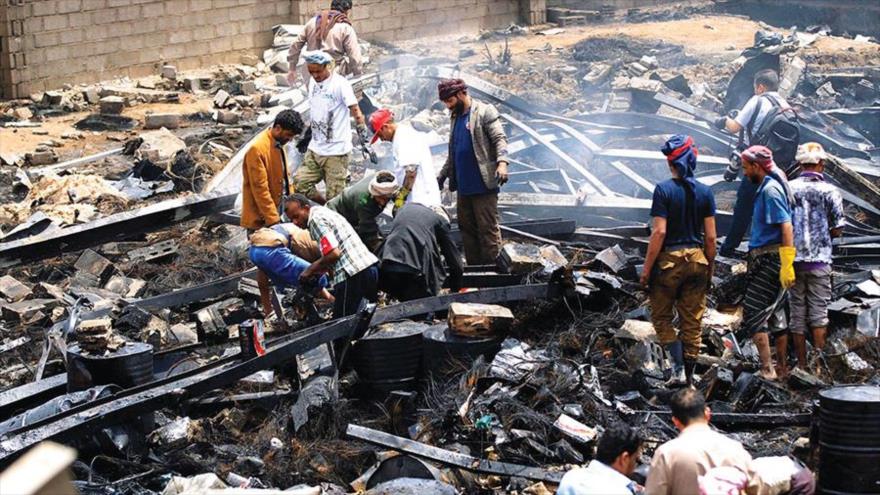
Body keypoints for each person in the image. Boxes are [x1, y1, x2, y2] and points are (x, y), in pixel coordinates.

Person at [640, 135, 717, 386]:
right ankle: (690, 377)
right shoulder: (706, 192)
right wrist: (711, 270)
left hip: (669, 263)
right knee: (692, 321)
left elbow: (659, 232)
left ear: (670, 162)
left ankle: (677, 369)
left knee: (662, 318)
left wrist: (646, 270)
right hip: (697, 260)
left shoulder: (663, 190)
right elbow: (712, 238)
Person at [714, 69, 793, 256]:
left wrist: (724, 120)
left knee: (743, 205)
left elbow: (734, 128)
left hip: (757, 165)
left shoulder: (757, 100)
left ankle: (729, 248)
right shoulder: (785, 105)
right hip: (778, 164)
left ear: (760, 86)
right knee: (770, 203)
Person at [436, 78, 509, 265]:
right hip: (464, 186)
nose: (448, 107)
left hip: (483, 184)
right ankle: (475, 270)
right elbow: (454, 151)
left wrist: (502, 163)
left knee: (487, 228)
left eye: (450, 101)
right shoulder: (455, 117)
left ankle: (493, 271)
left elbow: (499, 138)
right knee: (467, 229)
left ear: (461, 94)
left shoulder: (484, 112)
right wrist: (442, 175)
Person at [738, 146, 796, 380]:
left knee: (753, 311)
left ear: (756, 166)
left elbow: (786, 226)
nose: (744, 173)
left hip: (770, 258)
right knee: (775, 311)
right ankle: (780, 369)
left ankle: (767, 369)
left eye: (745, 168)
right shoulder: (768, 185)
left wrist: (787, 263)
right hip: (769, 257)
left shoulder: (770, 191)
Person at [241, 109, 304, 317]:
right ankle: (269, 308)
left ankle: (284, 302)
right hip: (262, 218)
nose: (289, 139)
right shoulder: (257, 149)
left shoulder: (278, 145)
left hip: (277, 212)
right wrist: (274, 221)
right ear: (277, 128)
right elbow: (260, 190)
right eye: (288, 135)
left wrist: (291, 204)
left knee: (280, 259)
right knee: (264, 264)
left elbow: (286, 179)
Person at [788, 143, 844, 369]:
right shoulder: (831, 191)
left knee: (797, 314)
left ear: (800, 163)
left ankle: (801, 366)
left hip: (792, 261)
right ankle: (819, 367)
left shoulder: (788, 188)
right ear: (821, 164)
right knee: (819, 314)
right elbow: (838, 227)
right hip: (820, 261)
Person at [645, 388, 757, 495]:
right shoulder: (735, 448)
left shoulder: (666, 454)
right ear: (707, 413)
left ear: (675, 421)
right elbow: (756, 488)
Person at [283, 193, 378, 319]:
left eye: (296, 216)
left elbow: (333, 254)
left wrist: (309, 270)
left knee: (342, 328)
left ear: (306, 208)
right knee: (368, 321)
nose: (295, 222)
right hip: (369, 267)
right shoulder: (324, 212)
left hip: (352, 274)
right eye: (291, 220)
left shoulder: (315, 220)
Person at [293, 50, 367, 204]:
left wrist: (362, 134)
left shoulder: (340, 85)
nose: (315, 75)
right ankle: (324, 207)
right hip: (315, 148)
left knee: (336, 197)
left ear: (329, 66)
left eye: (318, 71)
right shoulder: (313, 83)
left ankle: (335, 213)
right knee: (300, 183)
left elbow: (356, 111)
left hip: (336, 152)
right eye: (311, 71)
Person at [379, 203, 463, 302]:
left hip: (386, 261)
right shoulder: (440, 221)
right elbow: (455, 262)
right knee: (421, 309)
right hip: (414, 270)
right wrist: (455, 289)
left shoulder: (406, 208)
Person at [369, 108, 443, 210]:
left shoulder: (404, 138)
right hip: (417, 201)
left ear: (385, 127)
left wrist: (400, 200)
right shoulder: (401, 136)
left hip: (421, 200)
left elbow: (411, 173)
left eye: (380, 135)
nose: (382, 139)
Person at [248, 223, 333, 311]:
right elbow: (314, 274)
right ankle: (331, 301)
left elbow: (262, 280)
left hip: (255, 250)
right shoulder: (311, 244)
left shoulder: (296, 230)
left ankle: (270, 311)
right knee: (317, 278)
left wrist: (267, 309)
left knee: (287, 288)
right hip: (271, 251)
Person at [286, 0, 363, 85]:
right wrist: (358, 78)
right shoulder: (345, 28)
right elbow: (355, 58)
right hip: (331, 74)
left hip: (311, 73)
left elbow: (296, 45)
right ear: (347, 11)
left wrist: (292, 69)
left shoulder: (312, 22)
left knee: (314, 96)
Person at [557, 423, 644, 495]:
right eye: (636, 460)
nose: (635, 466)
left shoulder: (571, 477)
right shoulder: (622, 492)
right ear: (624, 458)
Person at [326, 171, 399, 253]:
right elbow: (368, 233)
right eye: (380, 198)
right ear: (373, 193)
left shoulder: (386, 180)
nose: (382, 203)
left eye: (386, 199)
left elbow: (399, 198)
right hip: (335, 215)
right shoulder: (363, 201)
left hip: (355, 215)